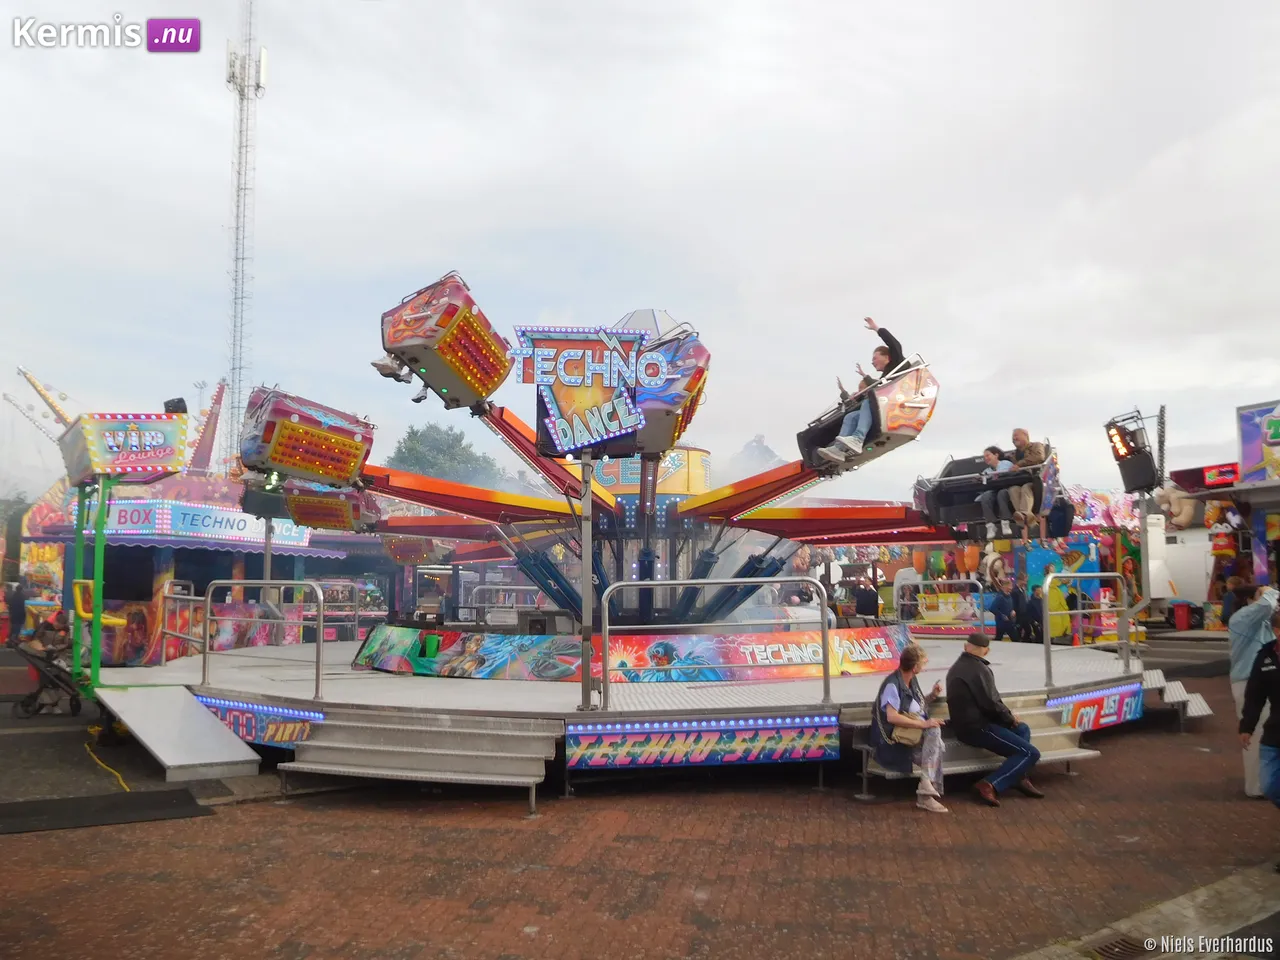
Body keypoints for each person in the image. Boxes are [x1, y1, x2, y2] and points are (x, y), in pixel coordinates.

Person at [945, 632, 1044, 806]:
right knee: (1030, 752)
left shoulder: (958, 667)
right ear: (986, 651)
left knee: (1023, 729)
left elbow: (989, 703)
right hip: (978, 727)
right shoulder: (979, 670)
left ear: (965, 647)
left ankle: (1018, 776)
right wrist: (1010, 719)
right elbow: (991, 704)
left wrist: (1009, 719)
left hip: (968, 723)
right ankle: (990, 784)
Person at [869, 642, 948, 813]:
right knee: (935, 740)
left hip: (909, 731)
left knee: (935, 742)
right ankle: (927, 793)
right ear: (914, 667)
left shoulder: (910, 680)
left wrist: (932, 696)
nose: (924, 666)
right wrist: (923, 723)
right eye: (922, 663)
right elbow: (892, 716)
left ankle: (926, 790)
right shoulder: (893, 685)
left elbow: (915, 707)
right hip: (892, 737)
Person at [818, 318, 905, 461]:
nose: (872, 362)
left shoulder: (897, 364)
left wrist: (877, 328)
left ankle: (858, 439)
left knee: (868, 402)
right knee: (851, 417)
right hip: (885, 404)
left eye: (875, 358)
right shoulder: (885, 377)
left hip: (897, 402)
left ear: (887, 357)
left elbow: (895, 344)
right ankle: (839, 449)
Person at [1229, 586, 1278, 797]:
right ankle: (1257, 787)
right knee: (1257, 733)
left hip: (1262, 679)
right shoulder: (1241, 619)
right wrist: (1269, 590)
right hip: (1248, 679)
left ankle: (1264, 782)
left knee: (1266, 733)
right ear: (1251, 600)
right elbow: (1267, 603)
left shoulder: (1264, 624)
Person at [1238, 608, 1280, 838]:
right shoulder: (1266, 657)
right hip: (1275, 733)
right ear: (1276, 630)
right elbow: (1255, 694)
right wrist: (1247, 726)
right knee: (1270, 786)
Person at [1005, 429, 1047, 533]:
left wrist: (1019, 464)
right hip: (1020, 480)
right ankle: (1027, 518)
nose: (1014, 438)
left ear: (1025, 435)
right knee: (1013, 490)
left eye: (1016, 435)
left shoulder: (1036, 445)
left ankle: (1023, 514)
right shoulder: (1013, 455)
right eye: (1013, 437)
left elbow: (1039, 457)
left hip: (1035, 479)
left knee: (1026, 488)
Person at [975, 445, 1014, 539]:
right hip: (993, 489)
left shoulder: (1006, 464)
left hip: (1006, 488)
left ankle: (1005, 522)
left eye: (988, 455)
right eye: (984, 457)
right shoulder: (986, 471)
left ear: (996, 455)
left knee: (1001, 494)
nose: (986, 458)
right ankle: (990, 525)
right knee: (985, 496)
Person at [990, 579, 1018, 643]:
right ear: (1004, 587)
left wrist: (1013, 611)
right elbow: (992, 608)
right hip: (1001, 623)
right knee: (999, 638)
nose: (1011, 588)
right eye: (1010, 586)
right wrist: (1002, 615)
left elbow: (1010, 606)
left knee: (1015, 638)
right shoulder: (1000, 597)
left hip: (1010, 622)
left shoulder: (1009, 596)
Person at [5, 580, 27, 646]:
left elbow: (10, 605)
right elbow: (24, 607)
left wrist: (10, 612)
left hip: (14, 615)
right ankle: (14, 641)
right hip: (20, 615)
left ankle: (10, 640)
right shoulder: (23, 597)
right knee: (18, 628)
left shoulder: (13, 596)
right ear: (21, 589)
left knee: (13, 628)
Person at [1012, 573, 1031, 642]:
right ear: (1019, 580)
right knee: (1018, 631)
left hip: (1024, 614)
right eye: (1024, 581)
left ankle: (1024, 641)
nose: (1025, 583)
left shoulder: (1022, 590)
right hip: (1018, 615)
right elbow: (1014, 604)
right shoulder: (1014, 591)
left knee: (1028, 630)